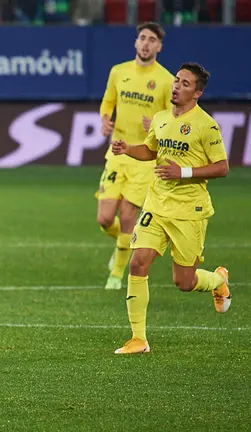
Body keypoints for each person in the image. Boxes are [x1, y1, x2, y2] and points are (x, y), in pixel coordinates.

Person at [111, 62, 231, 355]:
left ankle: (218, 281)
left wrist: (184, 173)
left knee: (184, 282)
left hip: (189, 209)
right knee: (138, 262)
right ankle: (138, 339)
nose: (177, 86)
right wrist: (129, 149)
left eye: (185, 83)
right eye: (177, 80)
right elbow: (151, 151)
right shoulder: (161, 118)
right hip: (157, 203)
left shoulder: (206, 125)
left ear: (198, 93)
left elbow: (222, 168)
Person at [96, 22, 174, 291]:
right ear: (135, 42)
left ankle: (116, 275)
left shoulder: (166, 80)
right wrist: (105, 119)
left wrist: (154, 123)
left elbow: (172, 118)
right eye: (142, 38)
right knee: (105, 218)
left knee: (129, 215)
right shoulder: (119, 72)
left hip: (144, 157)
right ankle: (122, 246)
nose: (146, 43)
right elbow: (108, 102)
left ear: (159, 47)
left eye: (152, 40)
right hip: (117, 151)